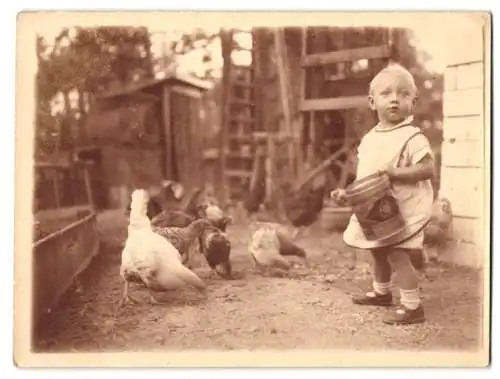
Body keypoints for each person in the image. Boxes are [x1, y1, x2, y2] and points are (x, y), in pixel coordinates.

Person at [331, 63, 435, 325]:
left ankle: (413, 307)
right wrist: (349, 193)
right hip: (374, 208)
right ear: (372, 101)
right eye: (386, 94)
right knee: (378, 252)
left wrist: (396, 173)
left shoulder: (412, 137)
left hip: (402, 206)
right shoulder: (370, 138)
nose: (394, 99)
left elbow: (427, 168)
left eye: (402, 94)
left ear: (413, 101)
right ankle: (381, 292)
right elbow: (365, 174)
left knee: (397, 254)